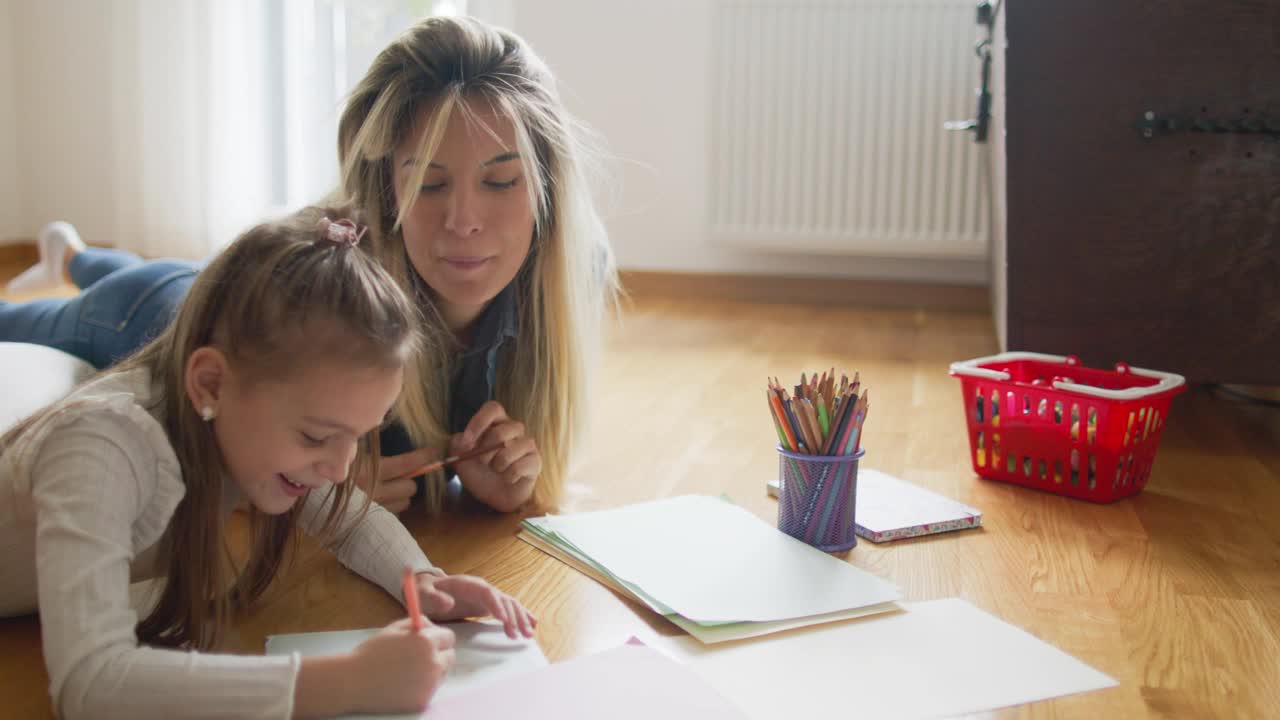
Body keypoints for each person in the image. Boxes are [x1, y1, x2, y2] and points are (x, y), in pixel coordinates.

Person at [2, 15, 618, 517]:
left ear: (546, 191)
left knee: (120, 267)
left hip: (180, 275)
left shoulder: (572, 271)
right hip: (156, 308)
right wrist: (307, 500)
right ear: (385, 190)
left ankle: (75, 253)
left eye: (501, 181)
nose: (463, 220)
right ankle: (79, 260)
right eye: (429, 186)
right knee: (57, 308)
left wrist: (505, 487)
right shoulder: (325, 289)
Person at [0, 205, 535, 719]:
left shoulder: (241, 424)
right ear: (210, 383)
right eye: (317, 436)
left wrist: (420, 580)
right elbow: (90, 685)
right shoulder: (103, 448)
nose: (342, 470)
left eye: (358, 438)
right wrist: (344, 682)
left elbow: (347, 521)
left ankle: (69, 254)